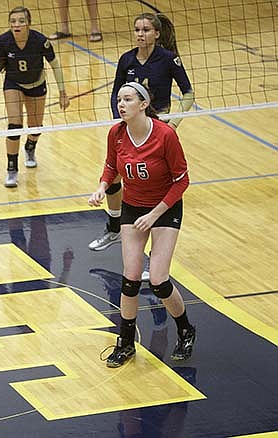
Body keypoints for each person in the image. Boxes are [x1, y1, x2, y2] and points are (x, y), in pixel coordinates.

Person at [88, 82, 196, 368]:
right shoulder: (117, 133)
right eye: (119, 99)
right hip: (133, 207)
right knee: (130, 278)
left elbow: (181, 181)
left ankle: (185, 329)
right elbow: (111, 166)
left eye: (128, 99)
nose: (121, 104)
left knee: (159, 280)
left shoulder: (165, 135)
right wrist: (101, 188)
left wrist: (154, 214)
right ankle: (125, 343)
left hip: (165, 206)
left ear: (143, 104)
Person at [89, 13, 194, 272]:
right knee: (114, 176)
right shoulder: (127, 59)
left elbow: (189, 93)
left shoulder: (168, 59)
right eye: (137, 29)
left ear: (157, 33)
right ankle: (115, 227)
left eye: (146, 30)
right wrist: (121, 121)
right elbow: (117, 91)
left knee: (156, 187)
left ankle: (154, 258)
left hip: (157, 128)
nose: (140, 34)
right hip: (131, 127)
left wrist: (173, 123)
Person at [0, 6, 70, 188]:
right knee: (14, 125)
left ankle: (30, 147)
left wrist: (62, 92)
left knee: (35, 127)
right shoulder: (5, 41)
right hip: (13, 83)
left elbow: (55, 64)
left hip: (36, 84)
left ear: (28, 23)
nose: (16, 24)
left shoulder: (40, 41)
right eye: (13, 21)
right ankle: (11, 169)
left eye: (21, 21)